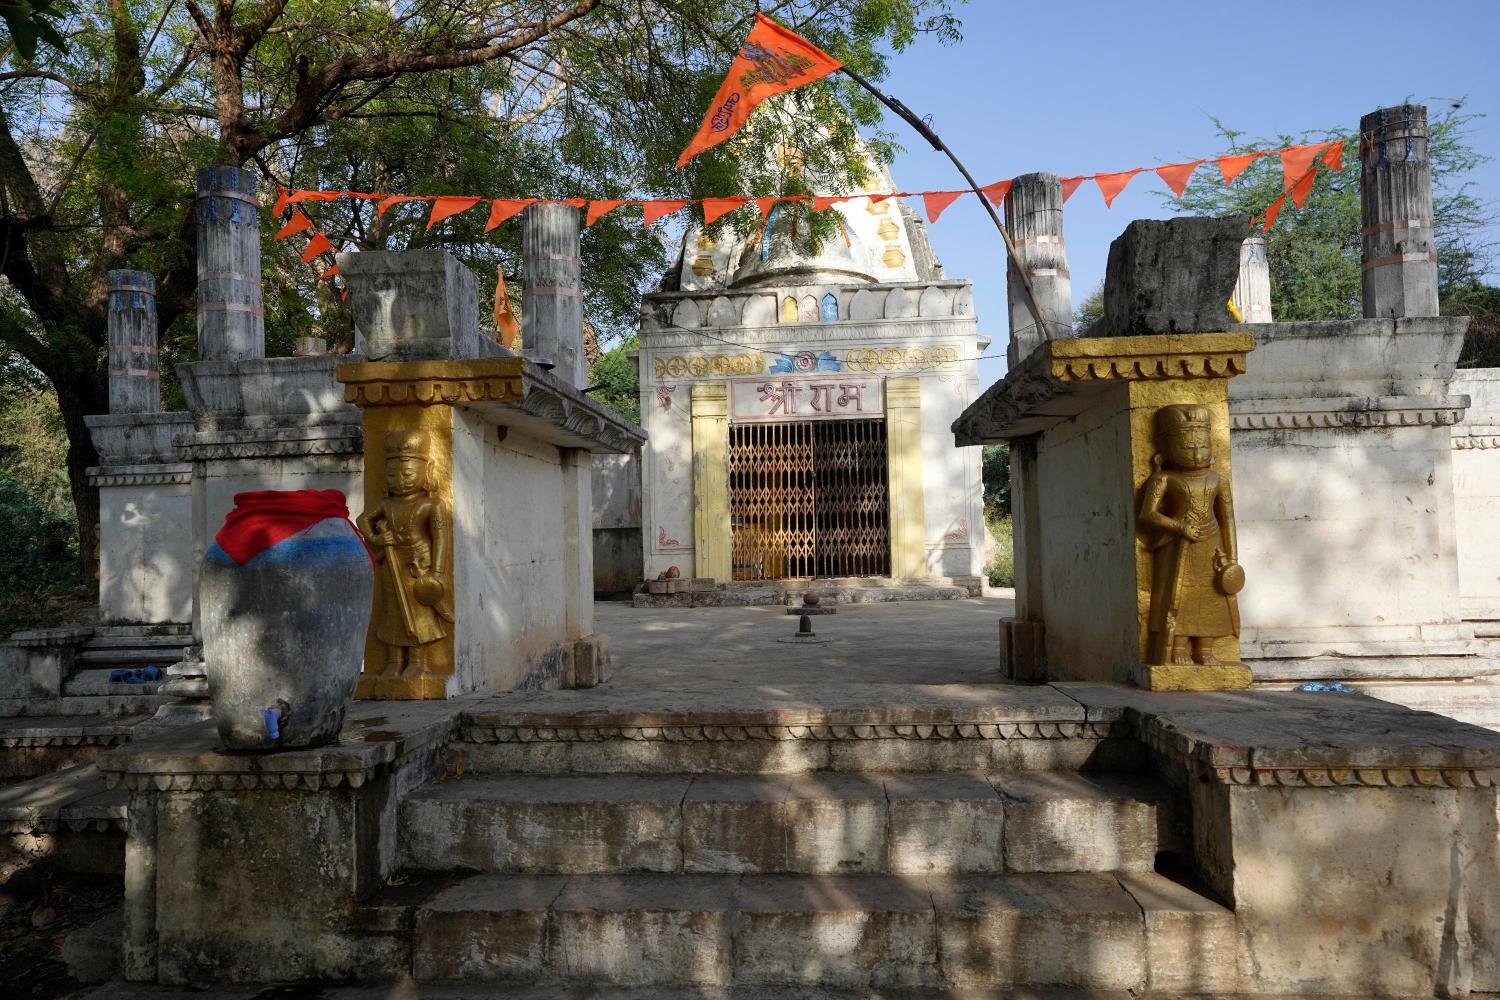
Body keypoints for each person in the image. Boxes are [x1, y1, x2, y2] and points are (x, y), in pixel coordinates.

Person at [1138, 404, 1243, 666]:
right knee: (1179, 595)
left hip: (1212, 546)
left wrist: (1232, 558)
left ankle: (1205, 649)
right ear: (1166, 448)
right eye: (1187, 447)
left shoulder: (1218, 480)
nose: (1197, 454)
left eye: (1203, 445)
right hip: (1177, 546)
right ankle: (1178, 646)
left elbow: (1228, 520)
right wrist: (1178, 527)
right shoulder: (1164, 479)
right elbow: (1147, 514)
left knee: (1211, 595)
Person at [357, 430, 453, 675]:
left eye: (408, 474)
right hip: (391, 564)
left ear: (426, 472)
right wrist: (377, 538)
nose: (400, 480)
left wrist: (437, 573)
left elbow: (440, 538)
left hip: (419, 566)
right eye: (392, 475)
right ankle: (394, 661)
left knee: (419, 613)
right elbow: (362, 519)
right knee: (393, 612)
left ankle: (417, 662)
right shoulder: (386, 504)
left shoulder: (431, 504)